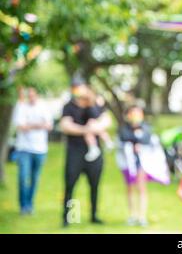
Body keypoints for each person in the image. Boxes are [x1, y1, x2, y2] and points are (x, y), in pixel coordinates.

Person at [60, 79, 111, 226]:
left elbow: (106, 121)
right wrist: (87, 130)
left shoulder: (95, 105)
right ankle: (68, 217)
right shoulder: (69, 107)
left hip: (95, 154)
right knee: (70, 185)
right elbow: (66, 125)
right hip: (75, 151)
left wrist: (93, 127)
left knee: (95, 185)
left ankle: (94, 215)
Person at [116, 105, 170, 227]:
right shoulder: (123, 129)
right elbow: (123, 139)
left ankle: (141, 216)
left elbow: (148, 141)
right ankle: (132, 215)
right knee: (130, 187)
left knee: (141, 187)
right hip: (127, 162)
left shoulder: (146, 128)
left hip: (142, 162)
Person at [13, 87, 53, 215]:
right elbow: (21, 126)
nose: (30, 97)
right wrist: (38, 124)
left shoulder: (44, 107)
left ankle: (30, 204)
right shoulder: (21, 106)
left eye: (32, 95)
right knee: (23, 177)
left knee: (35, 178)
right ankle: (23, 206)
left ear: (36, 95)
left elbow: (49, 125)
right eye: (28, 95)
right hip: (24, 149)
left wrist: (31, 125)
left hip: (40, 149)